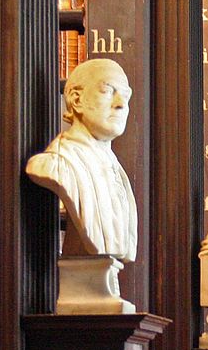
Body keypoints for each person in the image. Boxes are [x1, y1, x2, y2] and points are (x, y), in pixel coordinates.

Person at [25, 59, 138, 259]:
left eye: (126, 96)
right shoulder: (55, 165)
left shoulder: (117, 171)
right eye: (108, 91)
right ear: (76, 100)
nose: (121, 104)